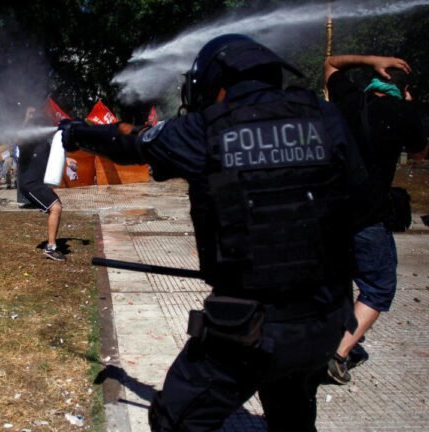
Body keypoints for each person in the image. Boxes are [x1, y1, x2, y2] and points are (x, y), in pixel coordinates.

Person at [60, 34, 367, 431]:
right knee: (292, 414)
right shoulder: (325, 118)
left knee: (176, 417)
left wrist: (80, 133)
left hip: (252, 330)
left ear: (215, 83)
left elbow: (133, 145)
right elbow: (359, 204)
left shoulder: (208, 129)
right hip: (326, 319)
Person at [323, 54, 427, 384]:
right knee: (379, 287)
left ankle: (316, 339)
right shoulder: (405, 113)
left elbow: (331, 64)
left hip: (327, 213)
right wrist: (410, 107)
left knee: (334, 280)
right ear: (403, 89)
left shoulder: (349, 99)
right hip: (367, 218)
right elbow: (419, 153)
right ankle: (338, 353)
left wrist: (370, 59)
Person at [19, 108, 66, 262]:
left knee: (56, 208)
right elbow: (19, 138)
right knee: (56, 207)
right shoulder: (28, 143)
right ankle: (51, 247)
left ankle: (51, 245)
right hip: (30, 184)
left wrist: (70, 162)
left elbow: (54, 159)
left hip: (39, 184)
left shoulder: (45, 145)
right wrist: (26, 119)